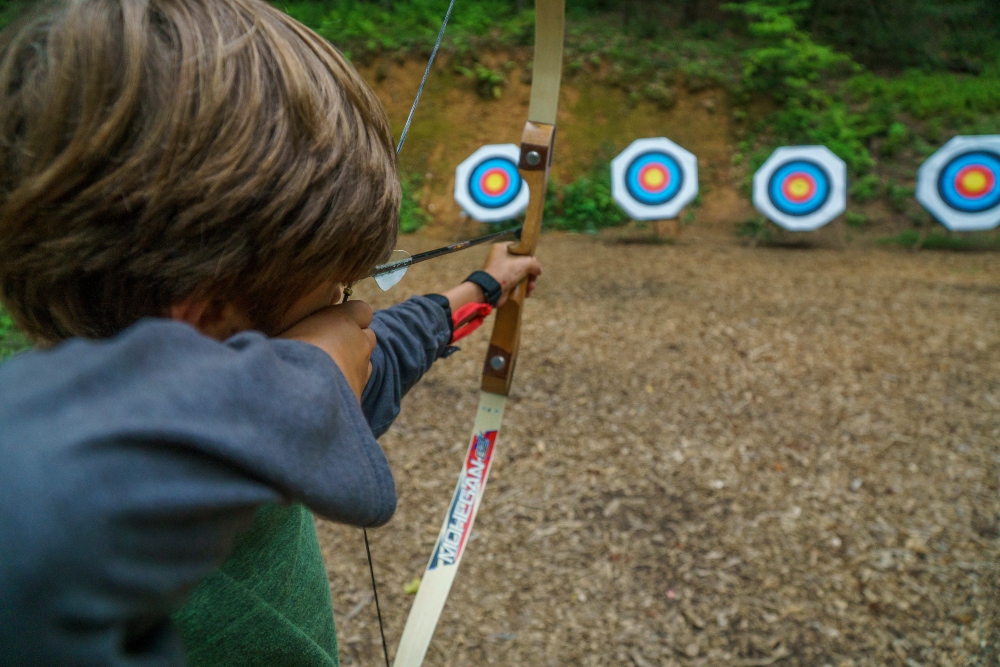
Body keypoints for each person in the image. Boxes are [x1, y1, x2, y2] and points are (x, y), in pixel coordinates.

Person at [0, 1, 541, 665]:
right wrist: (296, 391)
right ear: (208, 322)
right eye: (334, 296)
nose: (355, 314)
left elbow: (382, 346)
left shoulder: (259, 407)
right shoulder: (68, 545)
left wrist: (484, 288)